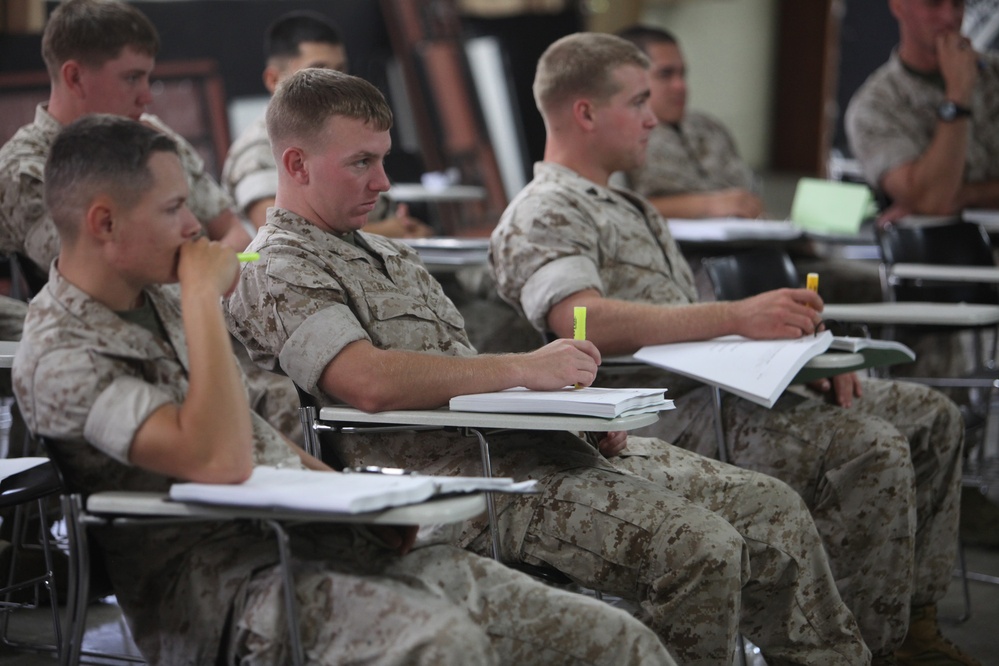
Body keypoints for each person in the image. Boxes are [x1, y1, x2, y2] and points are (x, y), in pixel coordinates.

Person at [224, 66, 871, 666]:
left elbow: (454, 373)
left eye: (383, 160)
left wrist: (560, 412)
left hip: (525, 444)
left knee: (769, 509)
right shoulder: (278, 265)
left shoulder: (389, 255)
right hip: (459, 479)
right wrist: (522, 372)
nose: (383, 183)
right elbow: (363, 382)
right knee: (698, 547)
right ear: (295, 163)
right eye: (360, 163)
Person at [12, 113, 677, 666]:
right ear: (103, 223)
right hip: (225, 585)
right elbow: (216, 459)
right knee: (443, 647)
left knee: (615, 641)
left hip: (319, 538)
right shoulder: (59, 354)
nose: (196, 227)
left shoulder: (155, 296)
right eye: (173, 208)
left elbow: (251, 431)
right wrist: (200, 303)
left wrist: (352, 503)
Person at [490, 32, 977, 666]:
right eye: (638, 101)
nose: (652, 117)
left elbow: (685, 327)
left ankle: (907, 624)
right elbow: (583, 321)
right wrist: (738, 316)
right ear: (584, 113)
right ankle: (864, 648)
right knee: (867, 446)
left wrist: (797, 365)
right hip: (649, 412)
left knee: (930, 417)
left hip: (719, 388)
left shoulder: (629, 203)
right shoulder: (545, 208)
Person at [0, 0, 302, 440]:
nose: (147, 94)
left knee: (317, 374)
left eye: (148, 76)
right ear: (74, 77)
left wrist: (216, 272)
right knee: (294, 403)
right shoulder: (27, 170)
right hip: (124, 351)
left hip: (212, 315)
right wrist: (206, 276)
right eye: (131, 77)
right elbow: (111, 270)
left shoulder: (148, 133)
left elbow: (230, 231)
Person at [221, 9, 432, 238]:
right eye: (318, 70)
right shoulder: (257, 149)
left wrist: (408, 231)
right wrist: (388, 234)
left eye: (341, 70)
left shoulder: (348, 133)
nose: (335, 82)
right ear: (273, 80)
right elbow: (280, 229)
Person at [846, 0, 999, 218]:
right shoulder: (876, 105)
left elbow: (939, 201)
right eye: (933, 4)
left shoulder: (993, 75)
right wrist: (957, 97)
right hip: (941, 249)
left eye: (957, 4)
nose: (949, 17)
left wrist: (963, 195)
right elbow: (933, 202)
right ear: (898, 6)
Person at [615, 25, 763, 220]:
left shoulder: (709, 128)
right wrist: (707, 205)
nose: (680, 86)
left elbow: (751, 195)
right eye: (666, 74)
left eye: (682, 74)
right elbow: (617, 207)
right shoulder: (617, 132)